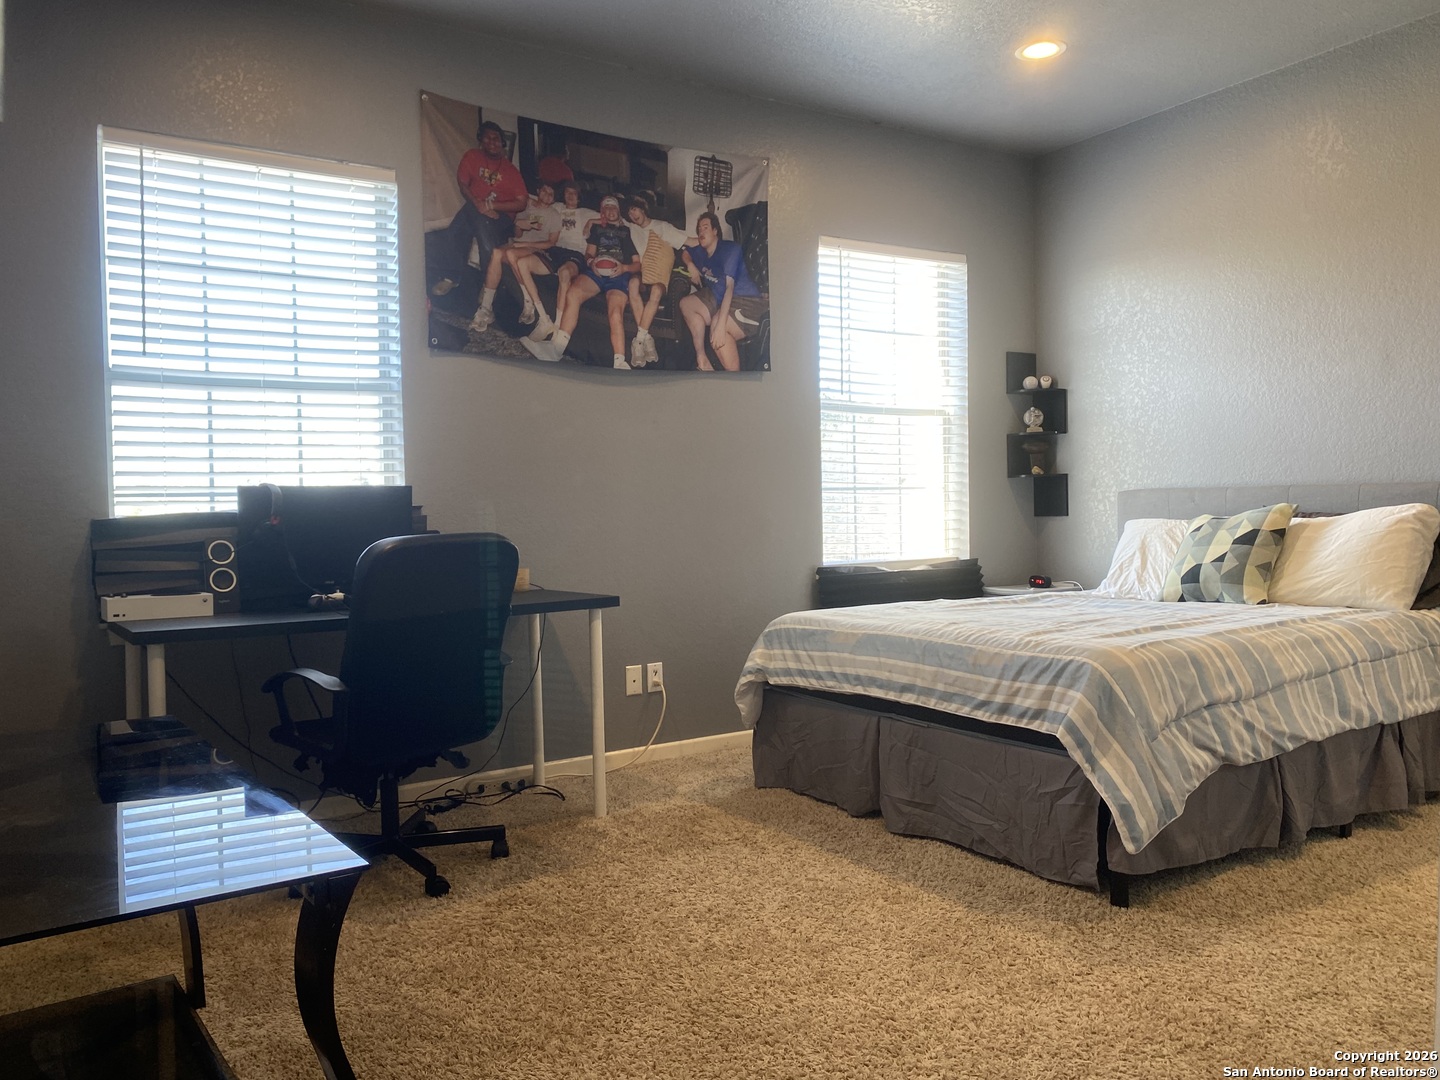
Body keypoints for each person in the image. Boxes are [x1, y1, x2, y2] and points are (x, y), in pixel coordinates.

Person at [521, 195, 639, 369]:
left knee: (614, 312)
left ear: (618, 210)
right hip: (596, 272)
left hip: (618, 275)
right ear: (603, 213)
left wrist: (624, 269)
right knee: (573, 293)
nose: (610, 211)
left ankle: (619, 362)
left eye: (613, 207)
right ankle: (556, 350)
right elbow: (589, 254)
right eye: (606, 208)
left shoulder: (626, 232)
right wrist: (592, 263)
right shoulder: (597, 229)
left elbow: (637, 265)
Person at [440, 120, 528, 334]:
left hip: (501, 217)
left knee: (477, 223)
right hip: (475, 208)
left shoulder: (510, 170)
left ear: (502, 143)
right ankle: (466, 280)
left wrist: (492, 205)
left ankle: (470, 281)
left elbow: (522, 202)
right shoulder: (472, 157)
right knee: (459, 227)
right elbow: (463, 183)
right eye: (488, 138)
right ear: (481, 141)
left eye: (496, 139)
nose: (492, 142)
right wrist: (478, 204)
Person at [468, 180, 563, 332]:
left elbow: (552, 242)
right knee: (497, 252)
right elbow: (517, 233)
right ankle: (486, 308)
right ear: (538, 191)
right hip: (517, 243)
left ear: (554, 199)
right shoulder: (528, 207)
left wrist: (522, 244)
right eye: (544, 191)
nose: (547, 196)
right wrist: (520, 225)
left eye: (551, 194)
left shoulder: (554, 215)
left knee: (512, 254)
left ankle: (528, 303)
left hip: (535, 249)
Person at [678, 211, 767, 372]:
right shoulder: (701, 251)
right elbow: (685, 252)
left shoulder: (730, 250)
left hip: (748, 301)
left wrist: (719, 325)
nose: (701, 232)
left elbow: (729, 288)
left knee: (719, 326)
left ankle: (734, 384)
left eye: (705, 227)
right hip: (718, 299)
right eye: (699, 229)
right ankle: (702, 359)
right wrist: (690, 265)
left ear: (715, 231)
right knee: (686, 304)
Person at [510, 180, 594, 341]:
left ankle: (557, 327)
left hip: (574, 254)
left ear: (579, 197)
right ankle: (543, 318)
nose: (570, 196)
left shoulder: (586, 213)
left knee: (564, 274)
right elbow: (533, 203)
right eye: (567, 192)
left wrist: (592, 221)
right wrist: (526, 209)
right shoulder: (556, 208)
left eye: (574, 193)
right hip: (554, 251)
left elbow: (611, 217)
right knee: (522, 263)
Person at [623, 195, 695, 367]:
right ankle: (647, 339)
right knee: (632, 283)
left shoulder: (662, 227)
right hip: (643, 275)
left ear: (643, 208)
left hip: (659, 280)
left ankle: (638, 340)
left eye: (634, 209)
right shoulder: (631, 228)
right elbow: (609, 216)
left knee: (656, 290)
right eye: (629, 213)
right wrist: (591, 222)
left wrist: (714, 242)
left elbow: (689, 241)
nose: (632, 215)